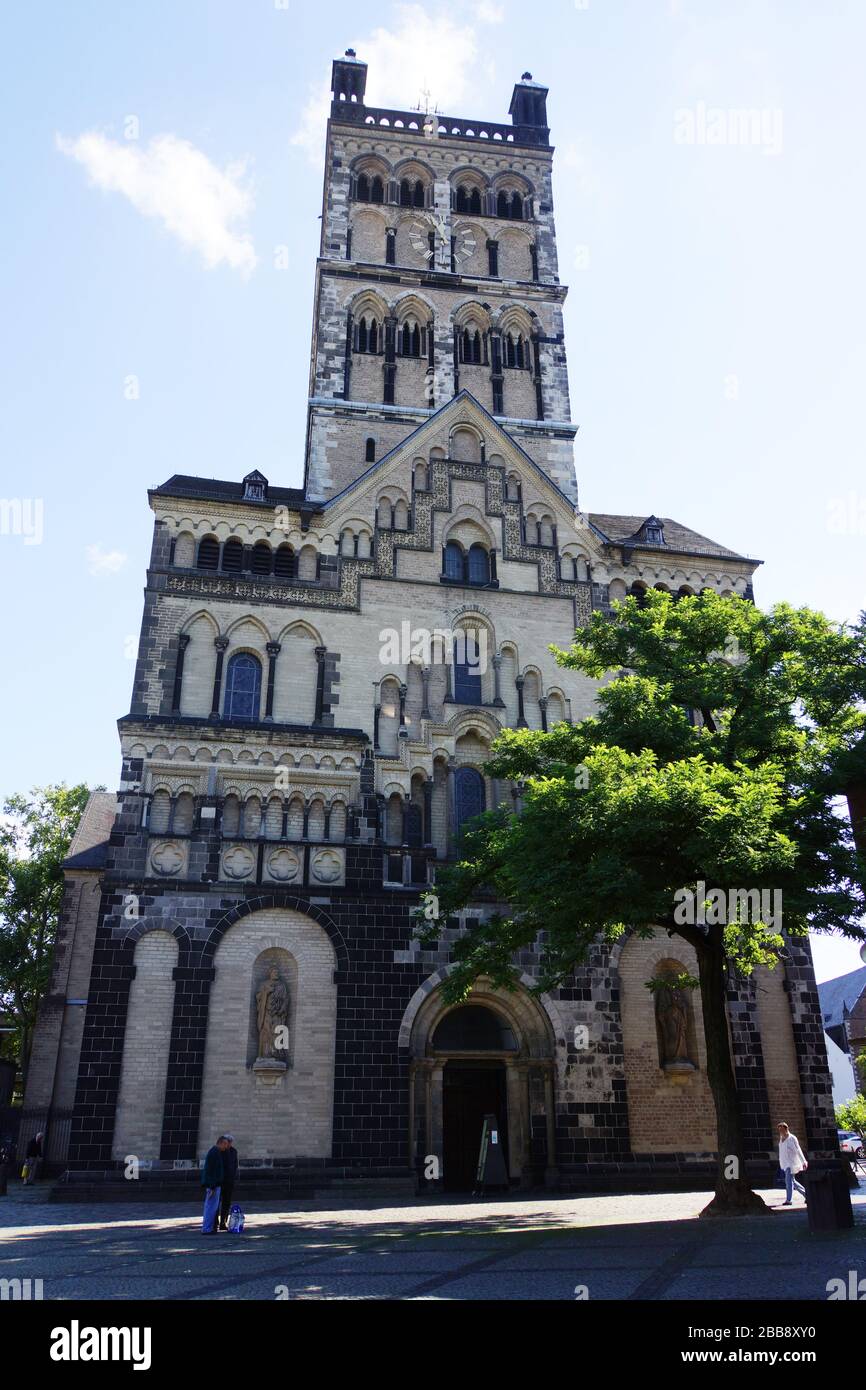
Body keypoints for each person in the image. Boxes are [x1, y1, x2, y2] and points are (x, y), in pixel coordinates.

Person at [201, 1135, 229, 1233]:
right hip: (213, 1185)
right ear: (220, 1143)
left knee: (212, 1207)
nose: (226, 1147)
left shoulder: (216, 1152)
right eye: (225, 1144)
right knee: (211, 1207)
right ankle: (207, 1229)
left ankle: (208, 1228)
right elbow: (212, 1171)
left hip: (214, 1185)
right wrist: (212, 1186)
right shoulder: (214, 1153)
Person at [778, 1121, 807, 1205]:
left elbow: (798, 1150)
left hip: (791, 1163)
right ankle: (807, 1195)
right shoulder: (781, 1138)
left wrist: (803, 1161)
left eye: (782, 1130)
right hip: (785, 1163)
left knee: (788, 1182)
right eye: (779, 1130)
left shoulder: (792, 1138)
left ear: (786, 1129)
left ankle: (789, 1200)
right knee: (792, 1181)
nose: (781, 1132)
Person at [218, 1135, 238, 1231]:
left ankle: (223, 1222)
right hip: (220, 1181)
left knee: (227, 1202)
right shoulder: (220, 1151)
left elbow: (235, 1165)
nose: (228, 1144)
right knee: (217, 1202)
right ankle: (215, 1221)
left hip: (229, 1181)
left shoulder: (234, 1151)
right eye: (227, 1142)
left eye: (229, 1142)